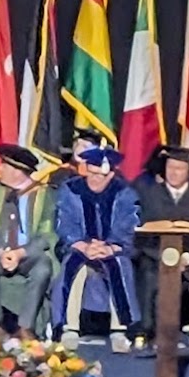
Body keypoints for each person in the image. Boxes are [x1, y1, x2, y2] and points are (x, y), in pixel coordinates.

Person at [53, 146, 140, 354]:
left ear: (110, 175)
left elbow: (129, 226)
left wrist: (110, 247)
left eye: (99, 175)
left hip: (112, 249)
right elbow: (64, 222)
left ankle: (120, 329)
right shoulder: (72, 190)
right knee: (73, 268)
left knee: (119, 266)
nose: (93, 179)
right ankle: (69, 328)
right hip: (80, 247)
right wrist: (83, 245)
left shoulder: (124, 193)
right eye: (90, 173)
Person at [134, 144, 189, 355]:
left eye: (180, 168)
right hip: (155, 255)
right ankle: (148, 331)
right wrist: (162, 257)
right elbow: (141, 233)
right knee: (148, 273)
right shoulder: (150, 192)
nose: (174, 172)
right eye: (170, 167)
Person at [0, 143, 57, 339]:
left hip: (29, 254)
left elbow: (46, 234)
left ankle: (25, 327)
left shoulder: (45, 195)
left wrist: (20, 253)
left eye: (4, 165)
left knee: (43, 268)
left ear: (18, 171)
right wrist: (1, 251)